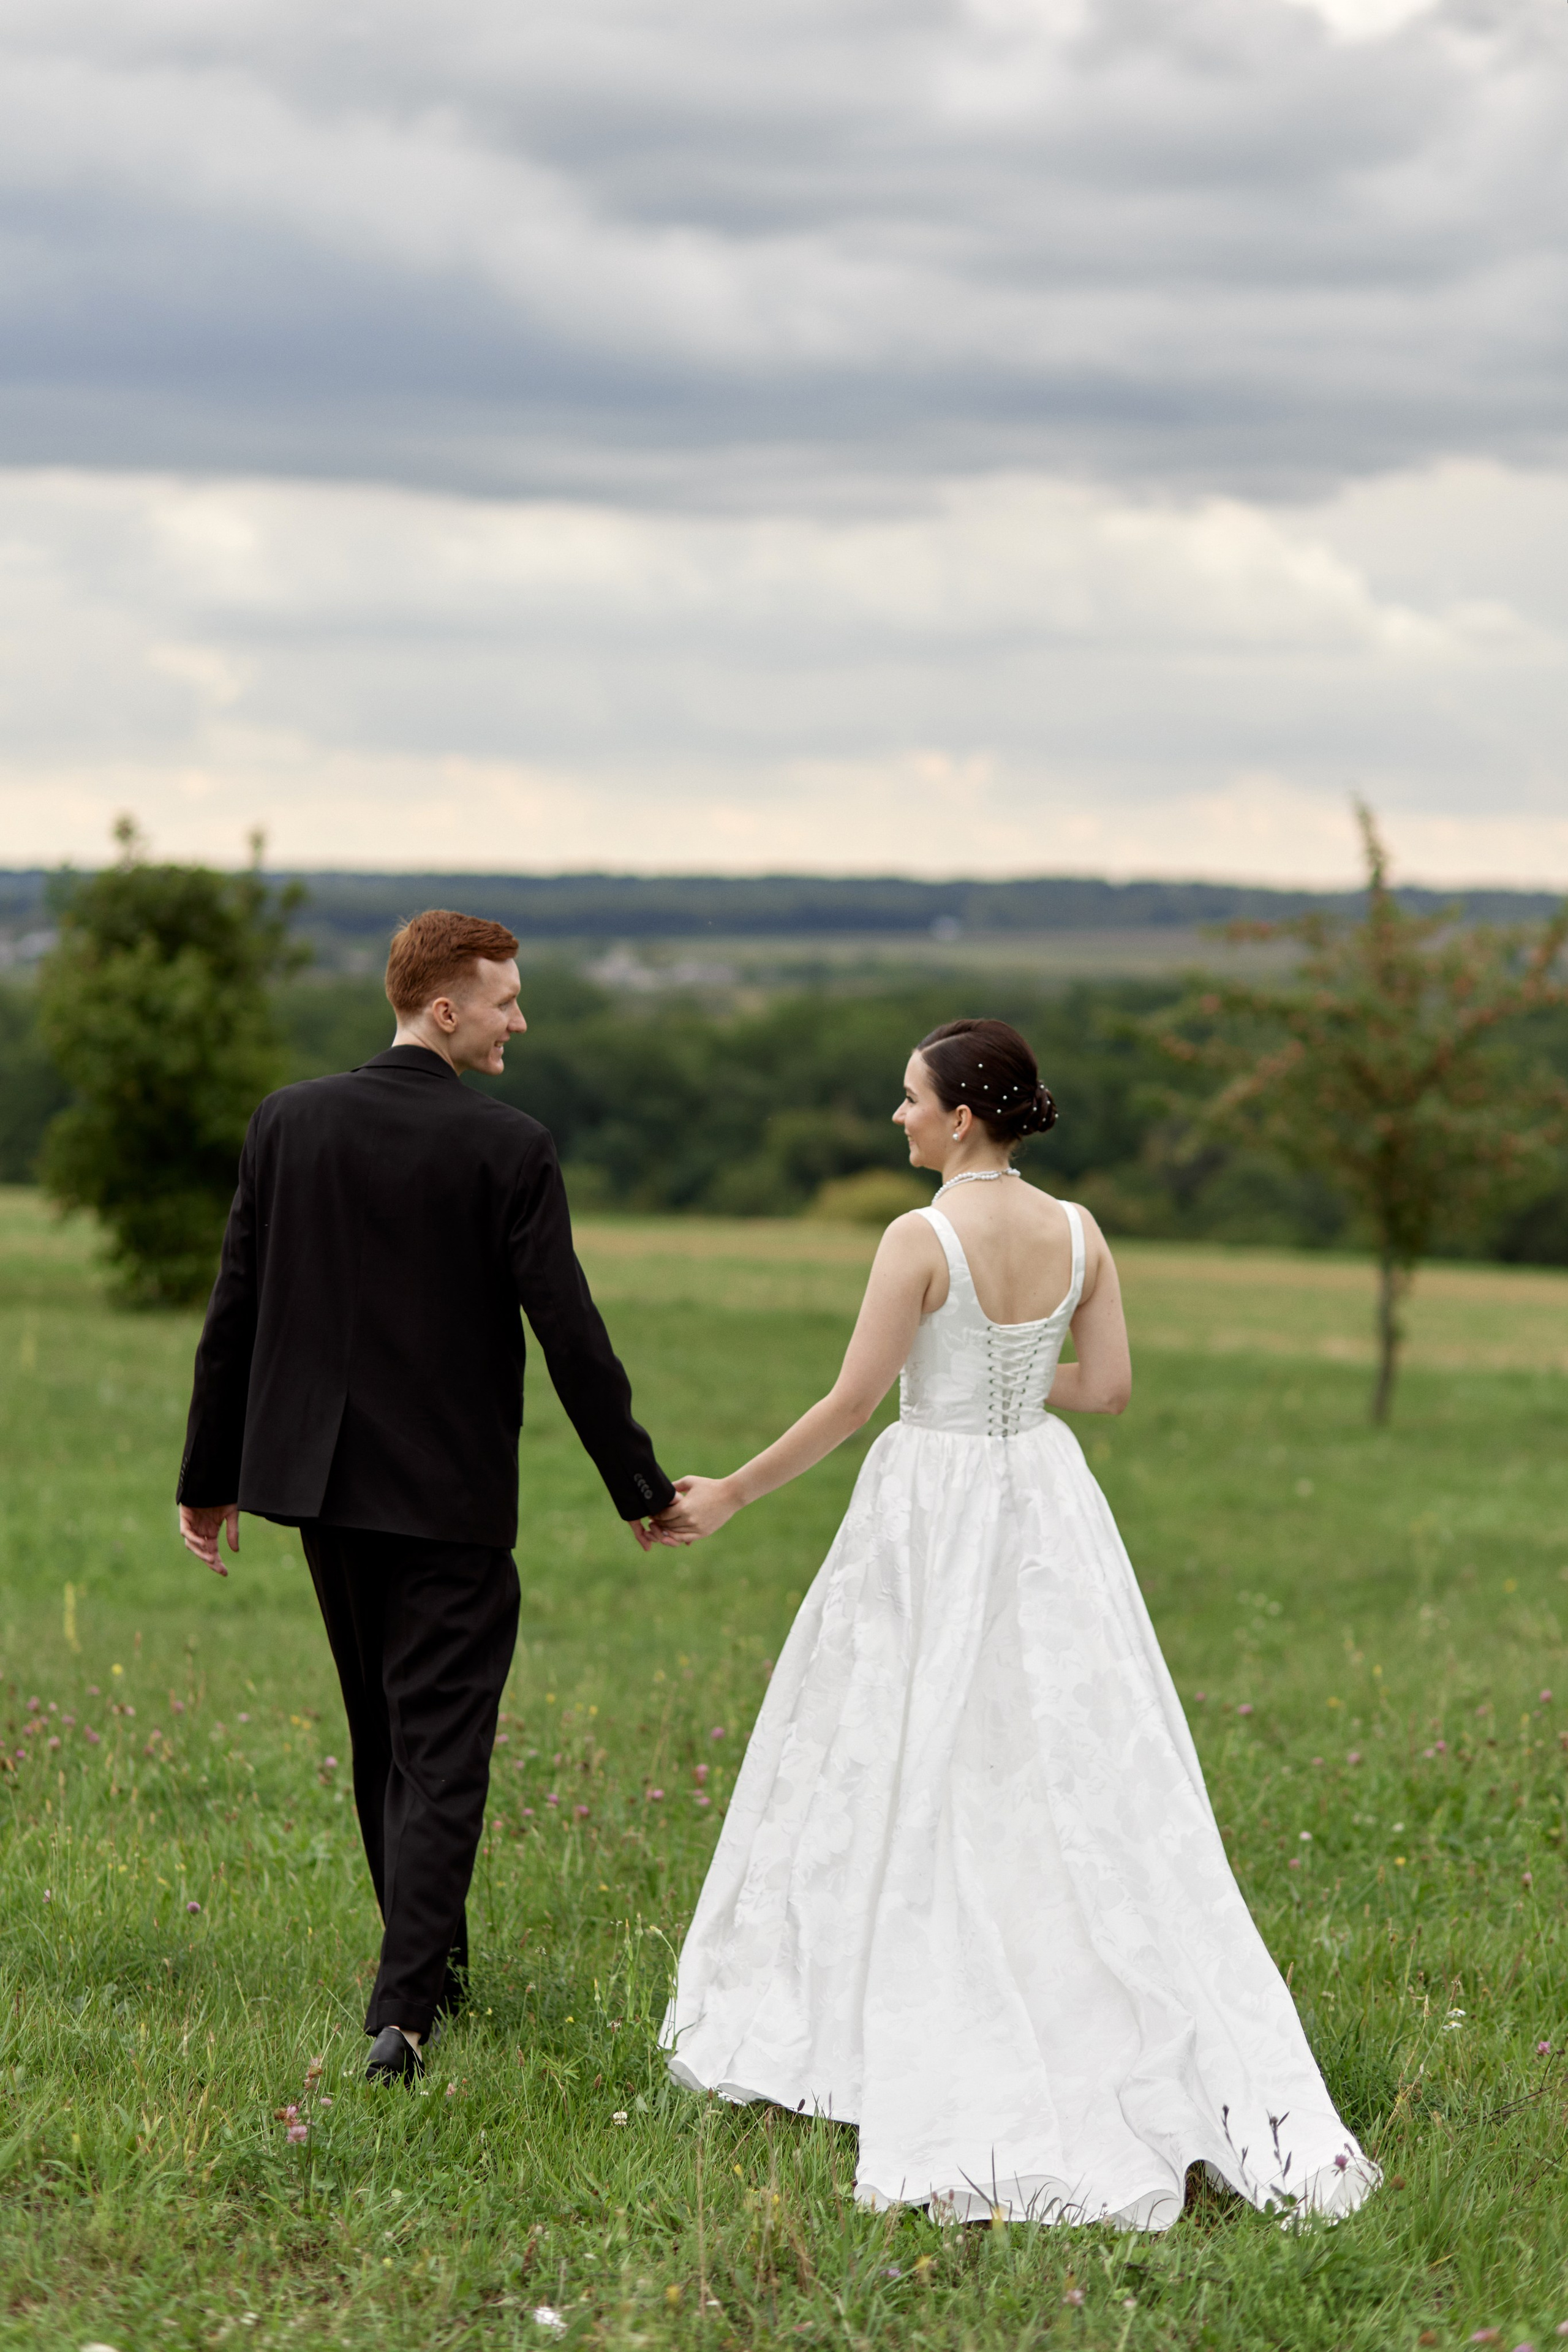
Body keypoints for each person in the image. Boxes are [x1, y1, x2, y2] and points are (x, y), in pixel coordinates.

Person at [655, 1017, 1379, 2230]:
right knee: (1063, 1752)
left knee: (905, 1747)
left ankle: (911, 2023)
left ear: (960, 1116)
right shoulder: (1080, 1232)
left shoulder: (916, 1236)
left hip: (932, 1502)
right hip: (1042, 1499)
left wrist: (727, 1492)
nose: (897, 1116)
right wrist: (1003, 1372)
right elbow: (1105, 1390)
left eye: (908, 1099)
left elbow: (849, 1403)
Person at [176, 910, 676, 2082]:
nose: (520, 1018)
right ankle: (403, 2017)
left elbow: (231, 1312)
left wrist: (211, 1480)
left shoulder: (288, 1120)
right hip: (446, 1498)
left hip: (320, 1489)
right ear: (442, 1007)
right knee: (441, 1750)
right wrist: (640, 1486)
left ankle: (430, 1967)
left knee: (384, 1739)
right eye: (505, 999)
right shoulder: (509, 1147)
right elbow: (571, 1333)